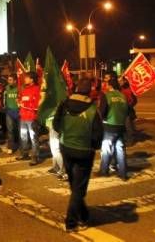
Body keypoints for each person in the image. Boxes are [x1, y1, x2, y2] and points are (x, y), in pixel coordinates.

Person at [53, 78, 103, 232]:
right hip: (84, 151)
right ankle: (71, 222)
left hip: (66, 148)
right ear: (89, 91)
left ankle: (84, 215)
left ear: (75, 88)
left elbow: (56, 124)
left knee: (75, 185)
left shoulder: (64, 104)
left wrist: (66, 133)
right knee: (79, 188)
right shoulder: (93, 109)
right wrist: (94, 147)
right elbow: (98, 134)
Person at [98, 77, 129, 180]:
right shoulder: (123, 96)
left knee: (106, 149)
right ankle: (123, 173)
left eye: (106, 84)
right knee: (120, 149)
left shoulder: (107, 96)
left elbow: (102, 112)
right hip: (121, 126)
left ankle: (104, 170)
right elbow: (127, 111)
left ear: (110, 85)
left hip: (110, 126)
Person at [16, 71, 41, 165]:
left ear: (32, 79)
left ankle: (35, 157)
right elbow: (23, 99)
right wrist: (19, 101)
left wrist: (24, 104)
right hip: (23, 116)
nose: (24, 79)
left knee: (33, 137)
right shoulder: (24, 89)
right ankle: (24, 154)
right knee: (23, 136)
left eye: (27, 77)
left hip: (32, 117)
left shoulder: (37, 89)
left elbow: (37, 104)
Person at [3, 74, 20, 154]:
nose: (8, 81)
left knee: (20, 130)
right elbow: (4, 98)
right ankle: (11, 147)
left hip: (18, 112)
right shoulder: (6, 88)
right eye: (8, 80)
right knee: (10, 130)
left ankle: (21, 146)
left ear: (15, 81)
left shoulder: (19, 89)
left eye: (10, 80)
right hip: (9, 112)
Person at [120, 77, 138, 145]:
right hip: (122, 111)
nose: (120, 82)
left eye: (122, 81)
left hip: (127, 111)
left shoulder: (129, 90)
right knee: (124, 126)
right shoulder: (121, 89)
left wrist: (128, 106)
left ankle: (130, 140)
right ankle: (126, 139)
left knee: (128, 126)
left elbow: (134, 101)